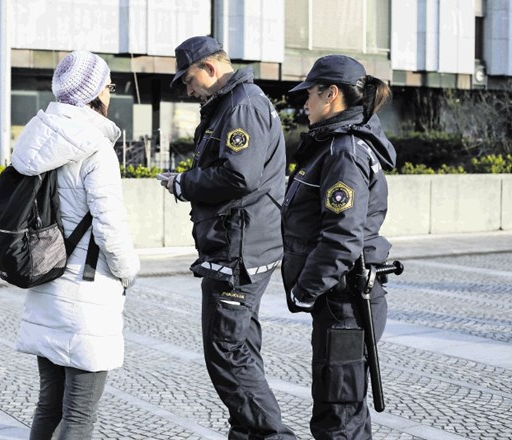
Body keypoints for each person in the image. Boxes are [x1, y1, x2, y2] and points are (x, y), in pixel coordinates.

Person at [164, 36, 296, 440]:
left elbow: (240, 175)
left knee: (227, 353)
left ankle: (273, 436)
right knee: (239, 349)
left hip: (238, 249)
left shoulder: (241, 106)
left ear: (209, 68)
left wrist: (184, 183)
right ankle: (248, 434)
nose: (188, 90)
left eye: (188, 80)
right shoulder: (232, 104)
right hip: (238, 243)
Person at [11, 50, 140, 439]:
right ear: (95, 92)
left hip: (46, 281)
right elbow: (110, 226)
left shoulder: (37, 140)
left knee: (48, 405)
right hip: (86, 295)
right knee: (80, 414)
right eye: (109, 86)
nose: (111, 92)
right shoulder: (96, 148)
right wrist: (129, 271)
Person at [282, 54, 397, 439]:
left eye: (310, 95)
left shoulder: (343, 150)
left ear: (331, 94)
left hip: (345, 300)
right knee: (343, 410)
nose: (304, 104)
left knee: (338, 418)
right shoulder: (337, 144)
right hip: (343, 298)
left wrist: (304, 290)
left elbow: (342, 237)